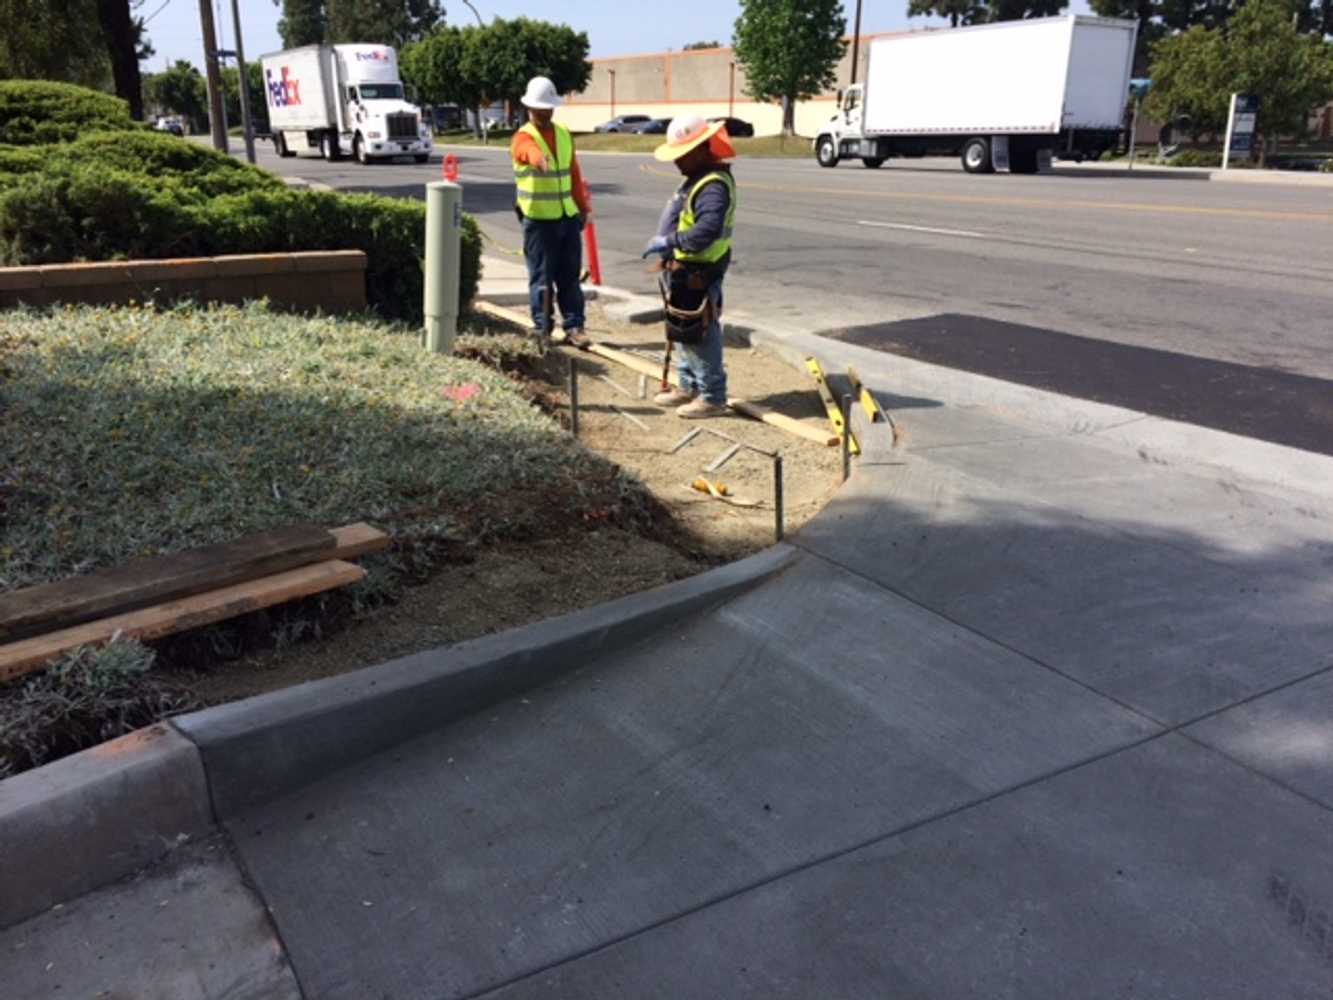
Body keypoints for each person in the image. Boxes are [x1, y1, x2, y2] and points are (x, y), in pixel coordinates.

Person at [642, 114, 737, 419]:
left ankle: (712, 396)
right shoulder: (697, 178)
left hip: (701, 268)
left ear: (699, 150)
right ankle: (688, 386)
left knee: (700, 330)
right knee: (682, 327)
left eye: (682, 155)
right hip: (685, 267)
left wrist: (671, 241)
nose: (677, 161)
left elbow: (707, 230)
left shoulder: (713, 186)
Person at [511, 76, 592, 348]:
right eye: (540, 110)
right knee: (542, 278)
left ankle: (574, 326)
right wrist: (539, 160)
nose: (545, 114)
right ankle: (542, 329)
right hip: (539, 221)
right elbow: (526, 151)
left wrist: (582, 207)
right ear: (529, 108)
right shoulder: (523, 137)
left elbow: (574, 173)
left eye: (548, 109)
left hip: (567, 217)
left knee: (569, 277)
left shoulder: (563, 134)